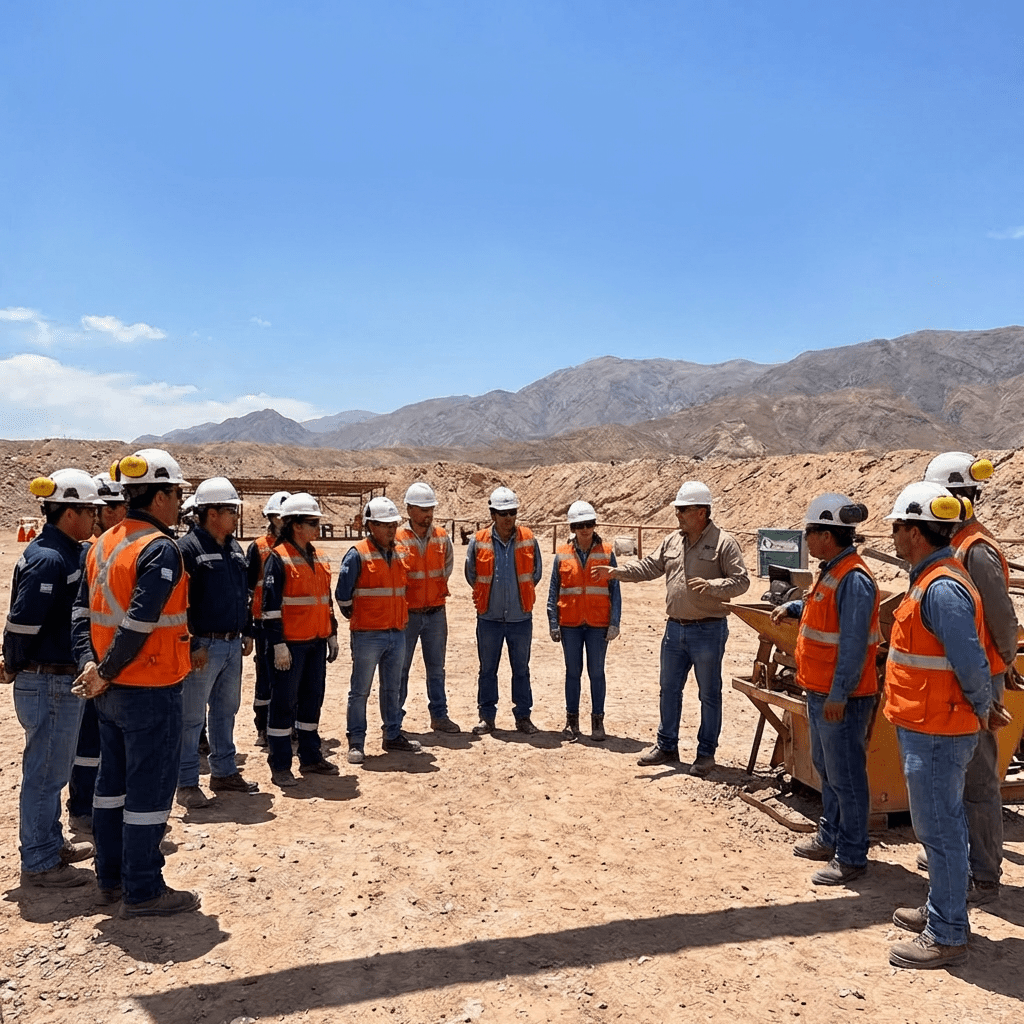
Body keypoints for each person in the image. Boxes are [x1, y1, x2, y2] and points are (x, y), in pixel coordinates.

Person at [71, 448, 201, 917]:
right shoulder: (159, 547)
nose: (179, 502)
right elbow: (140, 622)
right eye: (177, 493)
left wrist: (93, 667)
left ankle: (110, 880)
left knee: (112, 787)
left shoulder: (104, 543)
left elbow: (83, 614)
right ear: (162, 495)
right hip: (149, 686)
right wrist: (103, 671)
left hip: (111, 691)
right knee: (148, 790)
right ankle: (143, 890)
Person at [883, 482, 998, 970]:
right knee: (939, 828)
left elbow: (969, 659)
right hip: (930, 723)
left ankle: (947, 933)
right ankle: (941, 911)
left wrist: (983, 702)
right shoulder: (931, 578)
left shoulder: (942, 587)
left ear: (914, 532)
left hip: (938, 729)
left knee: (941, 831)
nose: (891, 536)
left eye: (895, 528)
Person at [594, 481, 749, 775]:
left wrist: (714, 586)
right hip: (674, 630)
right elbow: (650, 567)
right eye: (677, 509)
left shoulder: (724, 543)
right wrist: (618, 573)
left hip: (709, 630)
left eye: (683, 509)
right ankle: (667, 746)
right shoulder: (672, 542)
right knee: (668, 689)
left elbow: (742, 582)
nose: (677, 514)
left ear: (702, 512)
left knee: (709, 694)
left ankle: (705, 754)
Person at [921, 452, 1018, 904]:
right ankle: (959, 856)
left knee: (978, 778)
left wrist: (1003, 668)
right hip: (960, 674)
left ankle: (983, 874)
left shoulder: (974, 548)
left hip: (979, 676)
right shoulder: (954, 543)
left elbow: (1001, 618)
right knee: (956, 774)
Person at [771, 494, 879, 886]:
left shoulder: (854, 578)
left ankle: (851, 856)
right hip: (820, 691)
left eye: (810, 532)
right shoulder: (832, 572)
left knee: (846, 776)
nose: (806, 539)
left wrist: (839, 693)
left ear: (827, 535)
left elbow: (852, 645)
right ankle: (830, 835)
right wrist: (796, 608)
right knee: (828, 770)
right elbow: (824, 613)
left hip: (842, 698)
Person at [2, 470, 102, 887]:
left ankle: (48, 842)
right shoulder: (50, 558)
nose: (95, 519)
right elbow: (23, 624)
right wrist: (13, 661)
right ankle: (40, 861)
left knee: (52, 770)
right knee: (45, 773)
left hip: (56, 680)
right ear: (70, 512)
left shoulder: (61, 551)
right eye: (90, 511)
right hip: (48, 680)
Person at [175, 477, 258, 809]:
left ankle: (224, 771)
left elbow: (244, 594)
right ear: (210, 513)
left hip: (231, 644)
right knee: (192, 718)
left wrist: (247, 629)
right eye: (230, 510)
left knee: (226, 711)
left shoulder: (234, 548)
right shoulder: (187, 550)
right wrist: (192, 642)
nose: (236, 517)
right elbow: (179, 603)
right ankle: (186, 783)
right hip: (203, 648)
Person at [261, 493, 340, 786]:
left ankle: (310, 756)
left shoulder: (316, 556)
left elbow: (325, 600)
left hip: (316, 642)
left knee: (311, 702)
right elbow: (269, 608)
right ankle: (280, 765)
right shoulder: (278, 559)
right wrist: (278, 644)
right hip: (290, 646)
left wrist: (331, 633)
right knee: (283, 705)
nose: (317, 527)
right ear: (295, 525)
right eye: (312, 522)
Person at [66, 472, 129, 835]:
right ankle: (83, 808)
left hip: (107, 660)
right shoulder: (93, 551)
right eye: (119, 507)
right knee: (89, 741)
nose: (123, 513)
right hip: (93, 661)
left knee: (104, 743)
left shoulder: (107, 548)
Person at [336, 496, 421, 763]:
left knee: (392, 688)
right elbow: (342, 595)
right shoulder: (357, 554)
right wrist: (362, 617)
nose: (390, 530)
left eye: (393, 525)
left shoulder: (399, 552)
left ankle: (392, 734)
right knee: (360, 690)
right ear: (370, 526)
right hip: (367, 635)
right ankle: (356, 742)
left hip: (397, 632)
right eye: (384, 525)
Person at [464, 487, 544, 734]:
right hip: (489, 617)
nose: (508, 517)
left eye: (512, 512)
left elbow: (536, 573)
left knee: (521, 669)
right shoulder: (478, 541)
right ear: (492, 514)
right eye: (503, 513)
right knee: (488, 669)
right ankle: (487, 717)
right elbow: (472, 574)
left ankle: (523, 717)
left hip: (520, 618)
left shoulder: (528, 538)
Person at [547, 501, 621, 741]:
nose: (585, 529)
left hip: (598, 624)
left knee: (597, 672)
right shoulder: (562, 554)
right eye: (580, 525)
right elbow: (553, 590)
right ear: (572, 527)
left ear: (595, 525)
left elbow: (615, 591)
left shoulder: (607, 552)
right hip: (570, 623)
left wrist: (614, 622)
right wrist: (553, 622)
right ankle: (572, 721)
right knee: (573, 673)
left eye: (589, 524)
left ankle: (597, 722)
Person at [395, 482, 459, 733]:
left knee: (436, 668)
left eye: (430, 508)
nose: (427, 514)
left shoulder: (442, 537)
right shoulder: (398, 537)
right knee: (401, 669)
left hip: (435, 613)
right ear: (409, 509)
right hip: (407, 614)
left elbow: (448, 566)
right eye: (422, 509)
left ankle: (439, 716)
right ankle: (395, 721)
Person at [246, 490, 291, 747]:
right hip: (263, 622)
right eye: (279, 517)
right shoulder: (258, 548)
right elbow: (248, 588)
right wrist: (249, 628)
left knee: (288, 674)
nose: (283, 521)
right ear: (271, 518)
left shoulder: (299, 548)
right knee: (265, 676)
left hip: (290, 621)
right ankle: (262, 726)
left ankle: (289, 724)